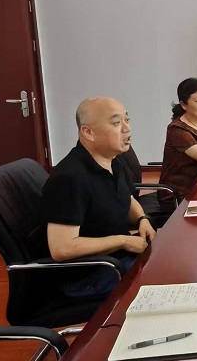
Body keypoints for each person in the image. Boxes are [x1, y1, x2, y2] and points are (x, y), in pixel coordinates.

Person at [40, 97, 157, 298]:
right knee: (165, 279)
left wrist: (141, 219)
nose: (127, 128)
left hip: (115, 259)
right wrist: (123, 241)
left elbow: (126, 198)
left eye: (127, 120)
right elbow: (61, 248)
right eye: (116, 123)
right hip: (90, 274)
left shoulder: (114, 161)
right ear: (88, 132)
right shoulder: (70, 178)